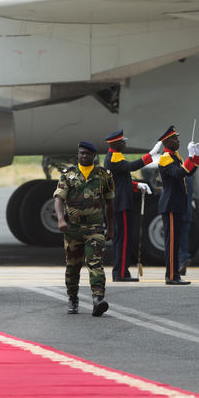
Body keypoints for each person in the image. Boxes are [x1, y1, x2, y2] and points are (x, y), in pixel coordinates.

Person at [54, 141, 115, 315]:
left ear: (94, 156)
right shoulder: (68, 174)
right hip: (73, 227)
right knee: (72, 266)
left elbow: (110, 203)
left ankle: (98, 299)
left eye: (87, 154)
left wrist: (110, 228)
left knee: (95, 262)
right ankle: (73, 298)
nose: (83, 156)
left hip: (94, 226)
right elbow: (58, 199)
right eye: (81, 153)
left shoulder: (104, 175)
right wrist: (60, 219)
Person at [103, 129, 161, 282]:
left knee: (121, 239)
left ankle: (122, 271)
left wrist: (136, 185)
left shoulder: (114, 156)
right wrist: (151, 155)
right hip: (121, 204)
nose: (124, 143)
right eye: (122, 141)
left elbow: (120, 180)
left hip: (119, 202)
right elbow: (132, 166)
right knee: (123, 239)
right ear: (115, 144)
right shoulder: (114, 157)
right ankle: (121, 273)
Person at [157, 126, 199, 284]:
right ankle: (171, 276)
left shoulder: (175, 156)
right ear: (167, 142)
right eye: (175, 139)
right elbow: (178, 173)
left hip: (177, 204)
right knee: (171, 243)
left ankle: (175, 274)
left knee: (175, 242)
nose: (178, 141)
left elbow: (188, 173)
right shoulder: (165, 158)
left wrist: (196, 157)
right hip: (170, 204)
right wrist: (190, 157)